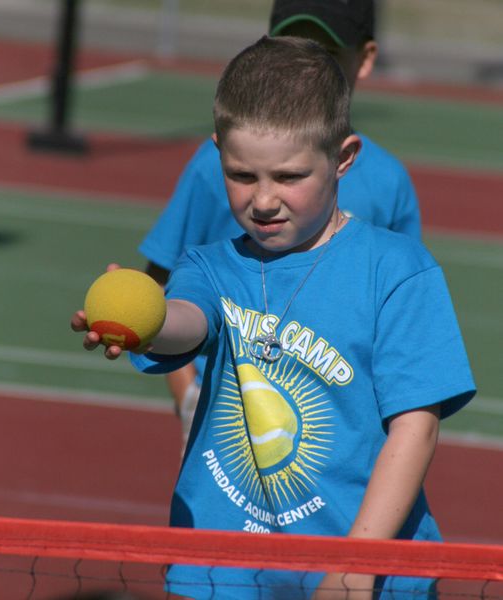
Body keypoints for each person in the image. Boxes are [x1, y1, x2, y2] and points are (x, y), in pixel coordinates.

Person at [72, 36, 475, 599]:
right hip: (224, 569)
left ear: (344, 158)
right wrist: (149, 320)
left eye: (288, 177)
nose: (263, 200)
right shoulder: (210, 266)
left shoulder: (398, 271)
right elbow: (189, 322)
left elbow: (416, 427)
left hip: (364, 565)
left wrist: (355, 566)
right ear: (218, 155)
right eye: (241, 175)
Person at [141, 0, 422, 450]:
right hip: (229, 433)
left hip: (338, 442)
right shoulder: (214, 165)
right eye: (295, 44)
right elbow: (167, 289)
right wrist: (187, 396)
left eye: (328, 50)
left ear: (365, 58)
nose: (308, 62)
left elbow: (400, 322)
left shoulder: (389, 183)